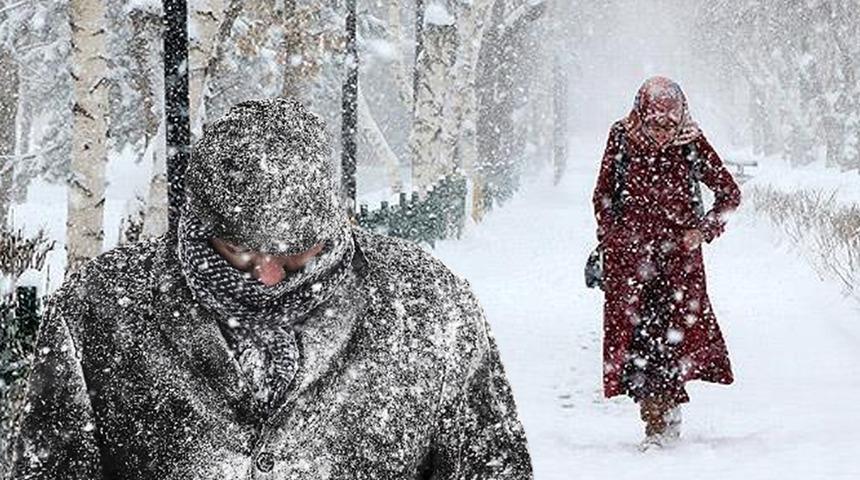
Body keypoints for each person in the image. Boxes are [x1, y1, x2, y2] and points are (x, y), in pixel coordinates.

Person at [8, 98, 533, 479]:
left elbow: (492, 468)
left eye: (294, 254)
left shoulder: (428, 307)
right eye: (239, 252)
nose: (269, 276)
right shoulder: (102, 309)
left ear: (331, 226)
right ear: (199, 228)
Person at [592, 76, 741, 449]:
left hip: (679, 266)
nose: (662, 132)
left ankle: (664, 418)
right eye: (655, 123)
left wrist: (702, 231)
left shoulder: (691, 142)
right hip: (631, 264)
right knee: (638, 343)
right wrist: (613, 238)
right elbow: (603, 195)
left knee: (672, 341)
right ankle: (654, 417)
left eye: (669, 124)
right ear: (641, 114)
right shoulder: (622, 137)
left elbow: (729, 194)